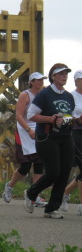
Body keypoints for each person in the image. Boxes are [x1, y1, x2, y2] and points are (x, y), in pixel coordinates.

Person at [25, 63, 82, 219]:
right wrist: (50, 119)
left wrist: (77, 121)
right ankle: (31, 193)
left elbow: (67, 119)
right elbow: (30, 115)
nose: (64, 76)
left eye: (66, 74)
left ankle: (51, 208)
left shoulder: (68, 96)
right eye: (61, 73)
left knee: (64, 173)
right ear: (53, 76)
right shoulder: (45, 94)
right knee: (53, 172)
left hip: (65, 137)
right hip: (47, 137)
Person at [2, 72, 47, 207]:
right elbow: (19, 116)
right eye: (38, 80)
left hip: (38, 129)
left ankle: (35, 195)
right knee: (26, 165)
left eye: (42, 80)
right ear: (31, 82)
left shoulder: (43, 94)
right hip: (24, 130)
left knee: (39, 163)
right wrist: (28, 129)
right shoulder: (25, 95)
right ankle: (10, 186)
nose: (40, 82)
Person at [59, 69, 82, 216]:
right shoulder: (70, 96)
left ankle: (64, 193)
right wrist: (77, 120)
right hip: (76, 132)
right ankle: (81, 205)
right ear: (76, 81)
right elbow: (65, 118)